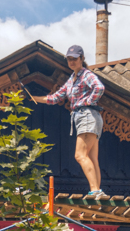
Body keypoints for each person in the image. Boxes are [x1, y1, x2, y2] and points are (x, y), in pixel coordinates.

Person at [33, 44, 105, 197]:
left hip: (87, 115)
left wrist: (87, 102)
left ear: (82, 59)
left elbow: (99, 88)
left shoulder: (86, 74)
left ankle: (95, 190)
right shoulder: (72, 80)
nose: (71, 62)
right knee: (92, 158)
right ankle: (97, 190)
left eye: (74, 59)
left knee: (80, 155)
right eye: (69, 59)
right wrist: (34, 98)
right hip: (88, 117)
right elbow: (55, 98)